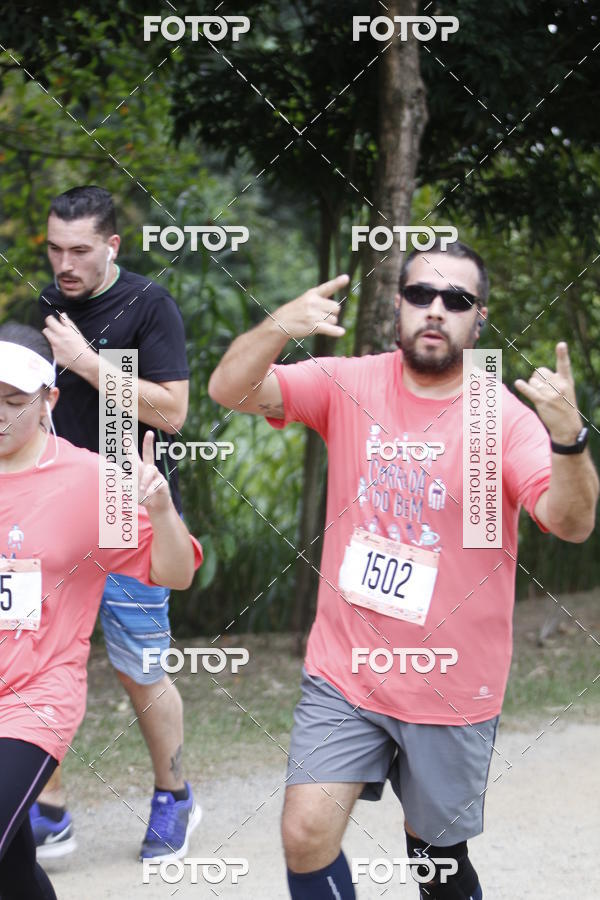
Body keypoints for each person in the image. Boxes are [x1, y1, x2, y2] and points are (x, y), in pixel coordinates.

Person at [208, 240, 598, 899]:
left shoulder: (500, 417)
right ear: (398, 304)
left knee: (435, 858)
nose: (436, 309)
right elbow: (229, 390)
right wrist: (277, 326)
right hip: (346, 671)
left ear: (480, 318)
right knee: (305, 834)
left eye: (457, 299)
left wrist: (570, 440)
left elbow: (572, 522)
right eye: (421, 294)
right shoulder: (348, 383)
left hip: (452, 683)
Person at [0, 323, 203, 900]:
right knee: (12, 869)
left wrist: (160, 509)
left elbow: (176, 572)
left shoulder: (92, 481)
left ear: (48, 400)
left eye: (14, 401)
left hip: (35, 697)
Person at [30, 185, 196, 862]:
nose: (64, 264)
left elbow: (173, 411)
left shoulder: (150, 305)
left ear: (112, 245)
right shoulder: (46, 306)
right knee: (32, 664)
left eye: (79, 250)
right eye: (54, 249)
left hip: (130, 515)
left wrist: (87, 363)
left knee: (139, 668)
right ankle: (47, 808)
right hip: (52, 519)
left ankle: (174, 795)